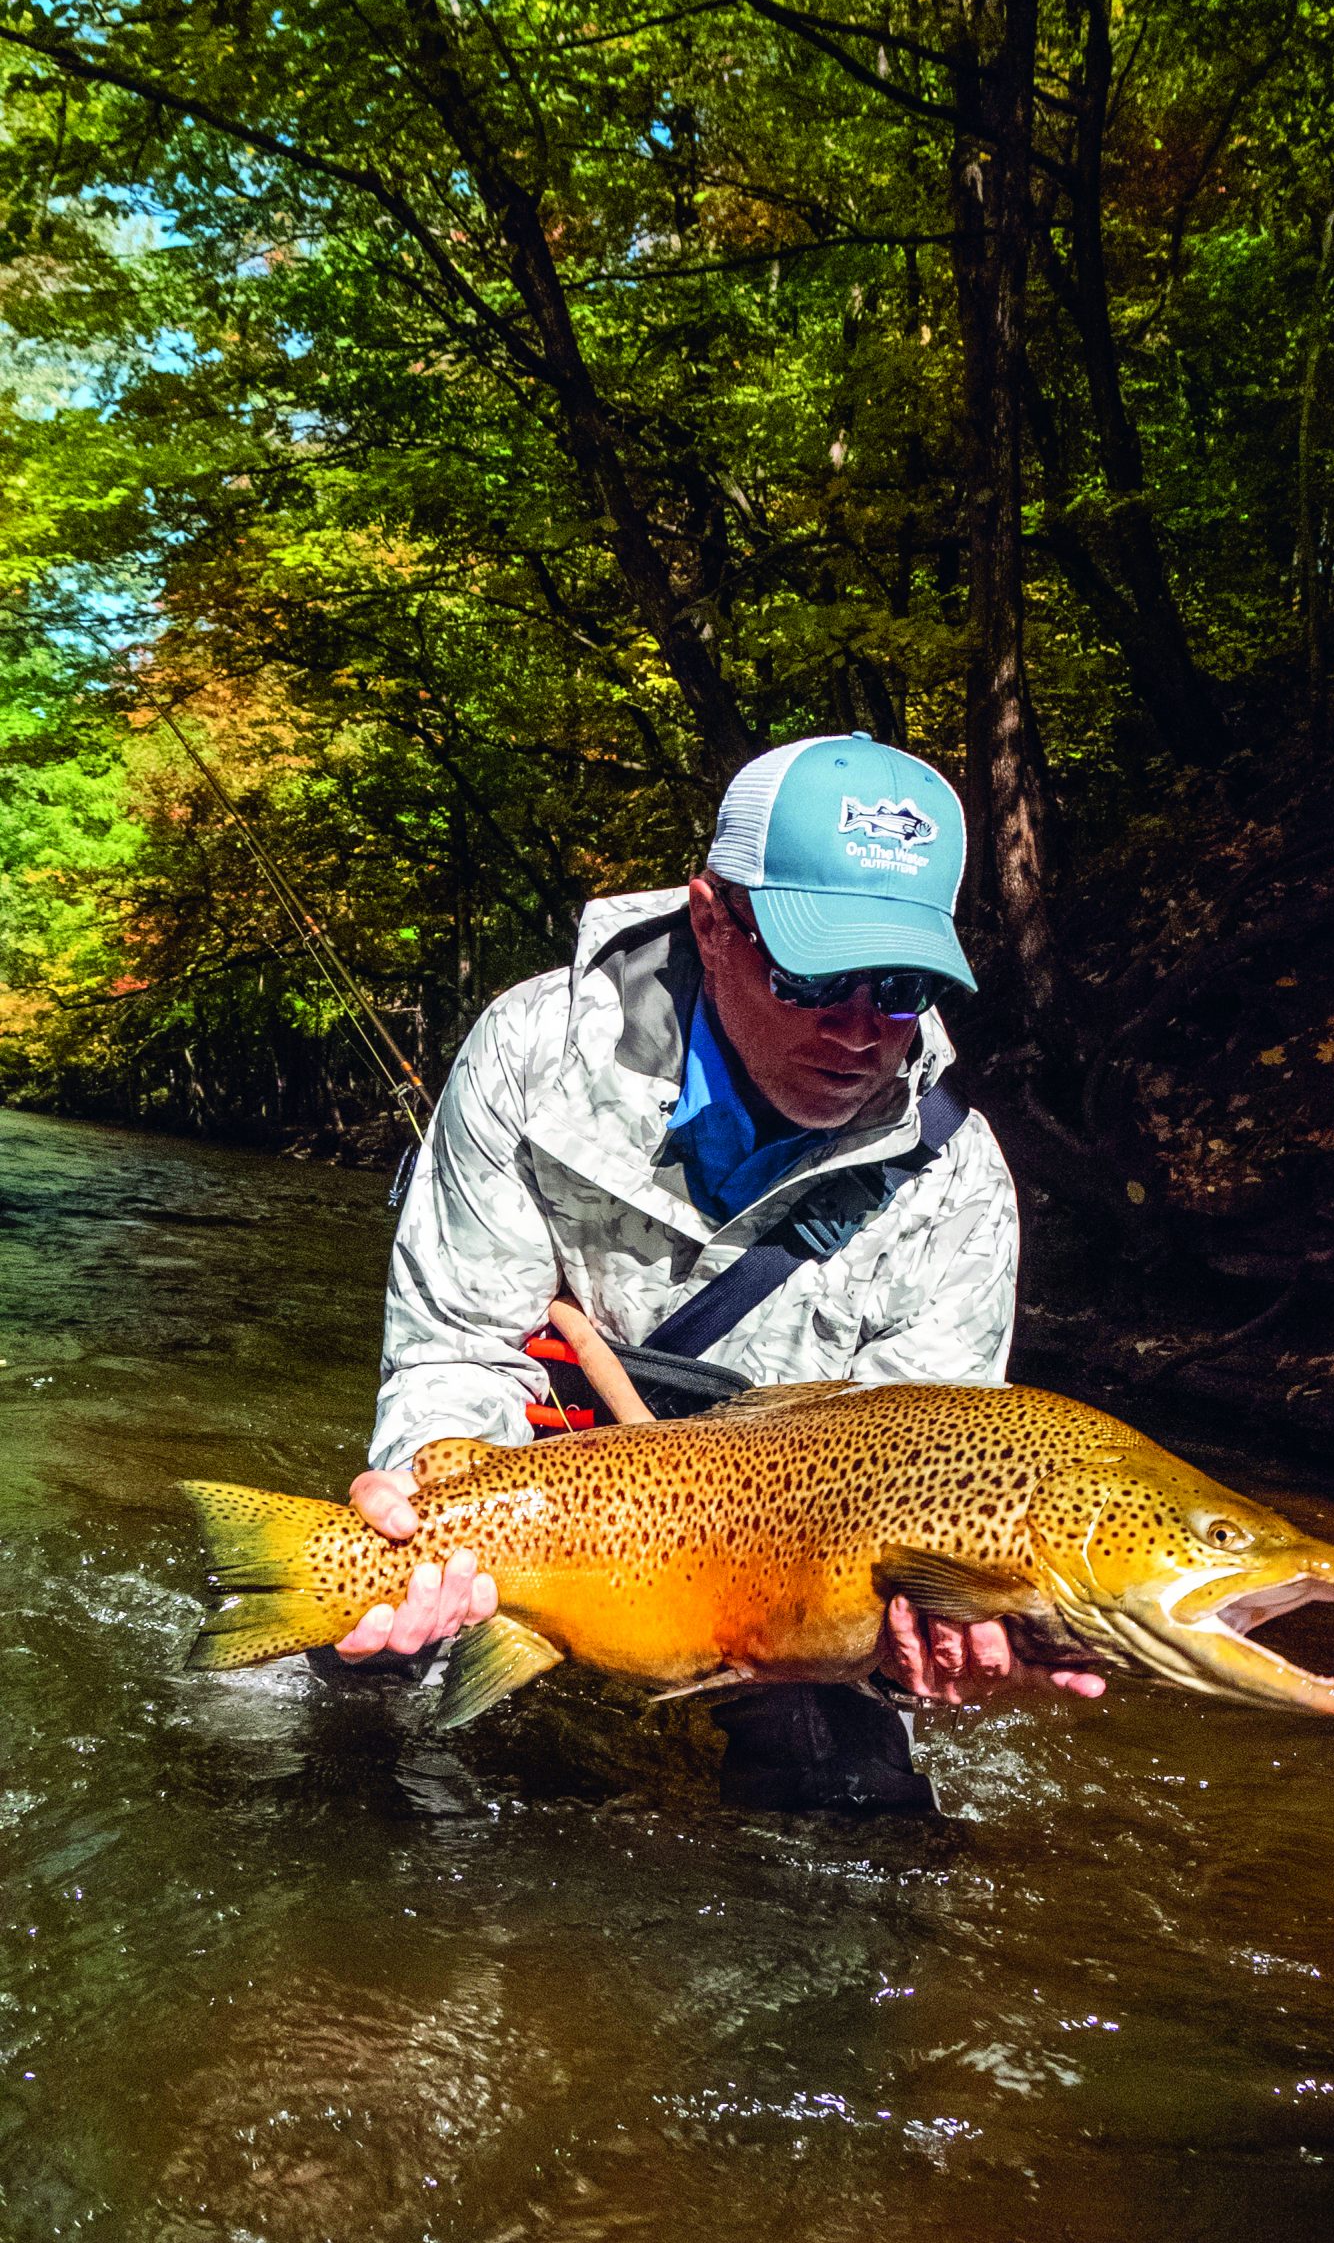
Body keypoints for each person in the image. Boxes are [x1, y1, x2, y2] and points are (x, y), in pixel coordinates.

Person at [335, 731, 1103, 1809]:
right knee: (330, 1691)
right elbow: (457, 1347)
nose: (859, 1030)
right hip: (531, 1500)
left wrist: (927, 1643)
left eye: (902, 987)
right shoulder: (533, 1053)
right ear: (710, 918)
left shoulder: (957, 1184)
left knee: (852, 1822)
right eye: (814, 974)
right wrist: (427, 1513)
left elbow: (923, 1482)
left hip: (784, 1570)